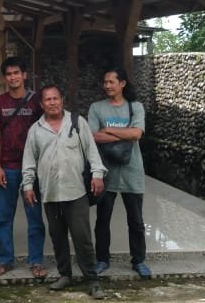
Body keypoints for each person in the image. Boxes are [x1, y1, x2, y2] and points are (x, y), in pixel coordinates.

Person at [22, 85, 106, 299]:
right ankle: (65, 274)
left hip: (76, 190)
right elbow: (29, 161)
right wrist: (28, 186)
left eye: (55, 98)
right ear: (42, 104)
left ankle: (92, 280)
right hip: (50, 193)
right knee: (57, 236)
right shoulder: (36, 129)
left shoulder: (77, 122)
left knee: (82, 237)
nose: (52, 103)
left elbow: (92, 151)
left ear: (62, 100)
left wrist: (97, 174)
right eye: (47, 100)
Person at [88, 67, 151, 279]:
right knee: (102, 220)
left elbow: (137, 134)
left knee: (136, 221)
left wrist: (109, 130)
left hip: (132, 172)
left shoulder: (135, 107)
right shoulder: (97, 108)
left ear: (122, 83)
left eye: (111, 82)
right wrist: (125, 135)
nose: (107, 85)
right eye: (105, 82)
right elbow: (92, 136)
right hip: (106, 172)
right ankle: (102, 259)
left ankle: (139, 260)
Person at [0, 57, 47, 279]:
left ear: (24, 75)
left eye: (16, 73)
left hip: (32, 169)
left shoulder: (36, 101)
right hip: (8, 167)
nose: (13, 77)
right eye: (8, 74)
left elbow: (45, 130)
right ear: (4, 78)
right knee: (4, 216)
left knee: (35, 217)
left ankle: (36, 261)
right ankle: (5, 260)